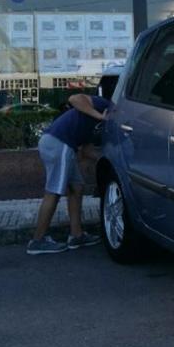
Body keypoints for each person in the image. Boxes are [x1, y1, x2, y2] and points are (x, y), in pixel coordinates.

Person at [26, 93, 111, 255]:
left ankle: (76, 235)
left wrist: (109, 160)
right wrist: (100, 116)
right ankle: (37, 241)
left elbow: (86, 151)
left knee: (76, 188)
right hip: (60, 143)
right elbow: (74, 99)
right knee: (54, 192)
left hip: (60, 144)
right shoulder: (105, 105)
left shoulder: (93, 124)